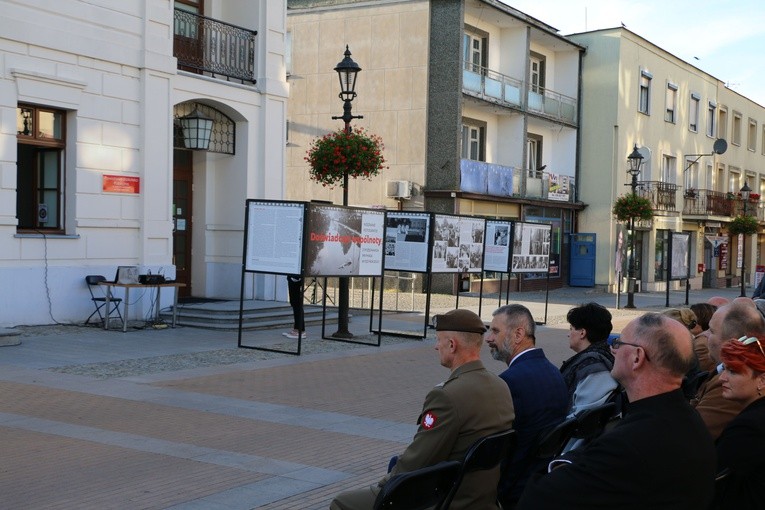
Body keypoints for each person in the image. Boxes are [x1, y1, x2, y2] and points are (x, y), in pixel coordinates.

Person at [516, 313, 716, 509]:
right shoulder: (691, 420)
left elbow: (537, 497)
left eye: (619, 344)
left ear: (637, 357)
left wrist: (562, 464)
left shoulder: (631, 443)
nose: (613, 350)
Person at [330, 309, 514, 510]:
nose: (436, 346)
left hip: (446, 501)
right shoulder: (500, 386)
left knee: (342, 503)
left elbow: (417, 460)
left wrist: (384, 486)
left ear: (452, 345)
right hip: (483, 501)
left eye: (439, 340)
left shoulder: (447, 396)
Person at [485, 304, 569, 509]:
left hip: (516, 491)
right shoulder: (553, 372)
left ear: (518, 334)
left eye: (495, 331)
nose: (488, 338)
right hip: (540, 481)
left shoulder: (509, 381)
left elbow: (499, 447)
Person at [692, 301, 765, 439]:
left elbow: (693, 434)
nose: (705, 335)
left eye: (712, 331)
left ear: (732, 341)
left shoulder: (733, 390)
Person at [712, 335, 765, 508]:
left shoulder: (749, 428)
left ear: (762, 380)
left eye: (733, 371)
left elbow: (714, 486)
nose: (722, 378)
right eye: (725, 369)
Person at [560, 303, 618, 416]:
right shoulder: (605, 355)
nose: (568, 334)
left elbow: (582, 418)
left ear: (582, 333)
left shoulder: (593, 366)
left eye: (571, 329)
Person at [283, 275, 305, 339]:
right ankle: (296, 329)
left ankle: (301, 330)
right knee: (294, 303)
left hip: (296, 278)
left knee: (297, 304)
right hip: (292, 277)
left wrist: (296, 278)